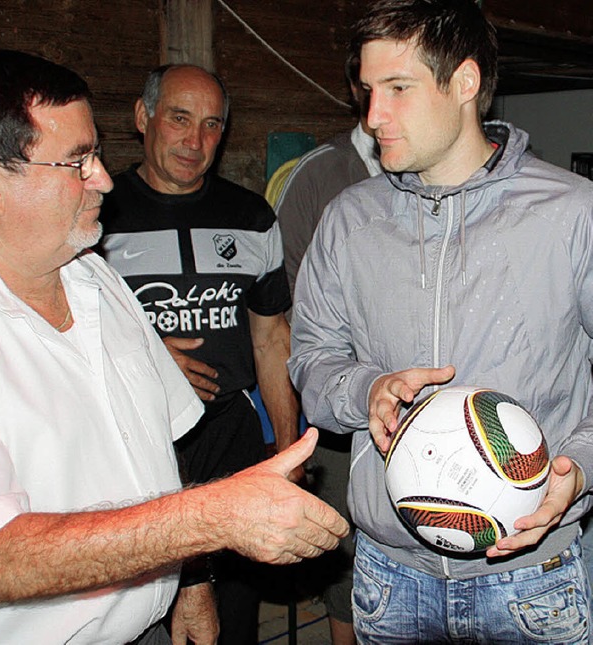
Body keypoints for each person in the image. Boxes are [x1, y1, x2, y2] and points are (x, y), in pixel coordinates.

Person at [0, 49, 349, 645]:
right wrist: (214, 519)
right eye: (77, 162)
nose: (104, 179)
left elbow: (158, 463)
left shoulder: (96, 279)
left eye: (97, 154)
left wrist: (190, 584)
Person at [289, 0, 593, 642]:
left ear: (464, 83)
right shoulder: (348, 220)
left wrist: (579, 470)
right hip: (388, 577)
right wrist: (364, 389)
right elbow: (311, 358)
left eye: (398, 88)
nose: (373, 118)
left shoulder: (574, 214)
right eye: (369, 92)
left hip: (533, 578)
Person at [99, 63, 300, 644]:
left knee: (232, 613)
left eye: (211, 125)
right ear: (144, 117)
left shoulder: (253, 218)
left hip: (231, 439)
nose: (194, 141)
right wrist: (145, 356)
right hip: (136, 443)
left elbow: (271, 339)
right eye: (179, 119)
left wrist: (284, 455)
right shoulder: (96, 214)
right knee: (144, 612)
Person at [273, 53, 379, 645]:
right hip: (343, 409)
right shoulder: (316, 177)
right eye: (371, 85)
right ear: (351, 88)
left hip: (430, 400)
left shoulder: (432, 173)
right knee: (349, 557)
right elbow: (287, 310)